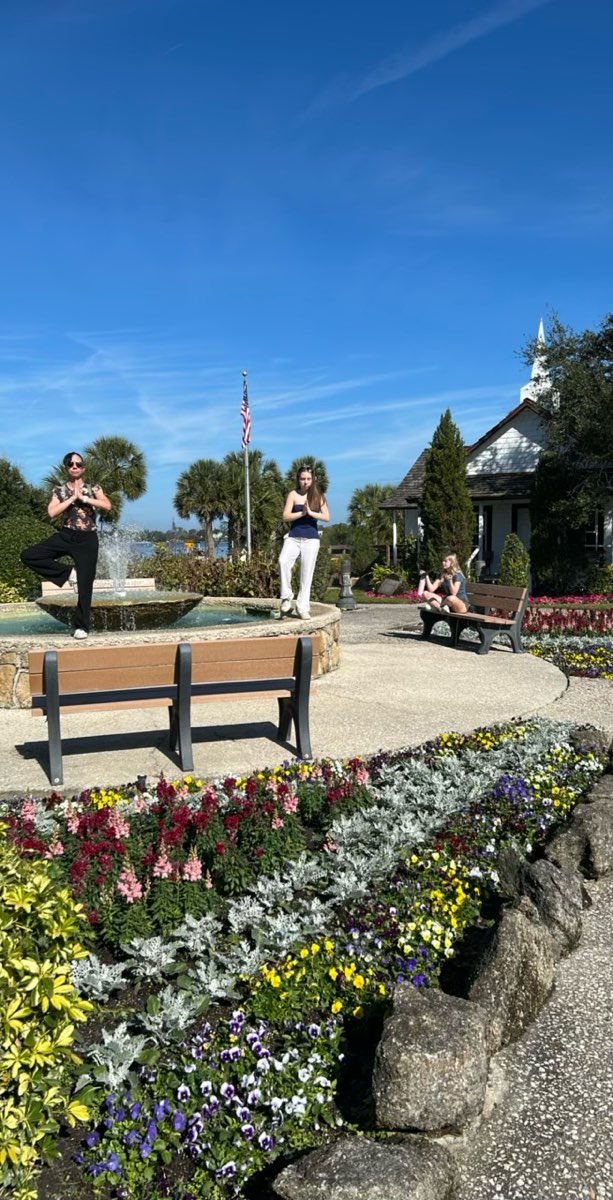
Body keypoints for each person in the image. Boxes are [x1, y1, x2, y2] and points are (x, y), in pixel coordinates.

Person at [20, 451, 112, 639]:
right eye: (71, 464)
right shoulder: (59, 490)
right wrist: (71, 499)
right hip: (66, 535)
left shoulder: (93, 487)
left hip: (88, 539)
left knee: (85, 586)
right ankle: (69, 573)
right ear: (66, 468)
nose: (75, 466)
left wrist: (84, 498)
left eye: (78, 464)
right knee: (29, 556)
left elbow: (107, 505)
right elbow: (52, 512)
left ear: (83, 468)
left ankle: (82, 627)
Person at [279, 463, 330, 619]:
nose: (305, 482)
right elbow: (285, 516)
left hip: (311, 538)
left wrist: (311, 512)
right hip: (294, 536)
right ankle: (286, 596)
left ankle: (302, 607)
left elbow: (327, 517)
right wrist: (301, 513)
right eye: (303, 479)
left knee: (306, 573)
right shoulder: (293, 495)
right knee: (283, 561)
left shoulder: (318, 496)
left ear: (313, 479)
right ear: (298, 479)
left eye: (308, 478)